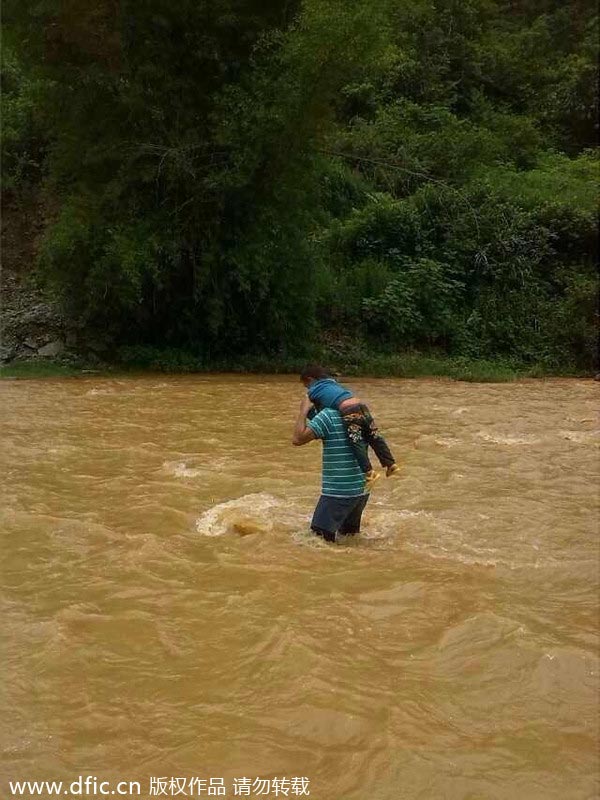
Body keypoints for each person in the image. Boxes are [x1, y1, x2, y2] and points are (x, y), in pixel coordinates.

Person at [300, 364, 399, 488]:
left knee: (355, 441)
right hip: (361, 407)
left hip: (349, 411)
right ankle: (391, 464)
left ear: (310, 380)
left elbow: (319, 415)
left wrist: (305, 410)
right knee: (374, 436)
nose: (306, 388)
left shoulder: (312, 392)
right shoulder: (332, 383)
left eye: (306, 385)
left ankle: (369, 472)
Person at [292, 395, 369, 543]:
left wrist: (303, 411)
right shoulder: (359, 412)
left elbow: (297, 438)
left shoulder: (327, 416)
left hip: (338, 492)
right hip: (360, 490)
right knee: (349, 540)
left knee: (316, 542)